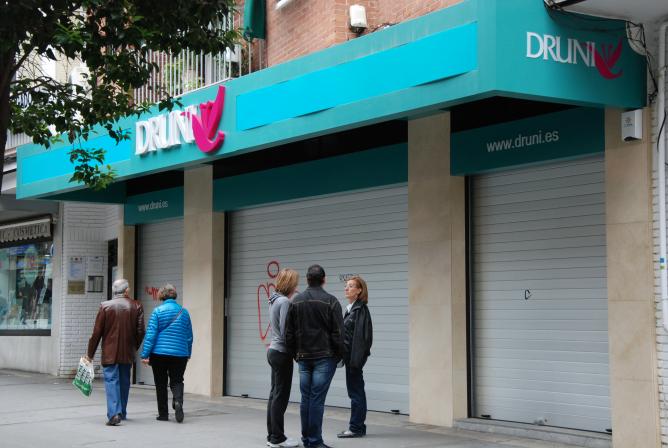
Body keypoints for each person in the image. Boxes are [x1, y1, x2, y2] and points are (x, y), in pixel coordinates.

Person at [285, 265, 344, 448]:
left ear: (307, 279)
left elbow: (289, 333)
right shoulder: (331, 301)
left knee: (306, 398)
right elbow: (338, 333)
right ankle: (315, 441)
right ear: (324, 279)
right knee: (317, 399)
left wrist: (295, 354)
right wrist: (338, 355)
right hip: (325, 357)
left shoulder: (296, 301)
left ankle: (307, 439)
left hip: (303, 357)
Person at [85, 279, 145, 426]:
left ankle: (114, 414)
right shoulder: (136, 305)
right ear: (127, 290)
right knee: (124, 381)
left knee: (111, 381)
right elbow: (141, 331)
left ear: (114, 291)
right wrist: (134, 347)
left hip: (109, 352)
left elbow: (96, 333)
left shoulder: (105, 306)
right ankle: (122, 412)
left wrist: (90, 354)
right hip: (127, 351)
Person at [140, 284, 193, 423]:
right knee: (177, 380)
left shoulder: (157, 311)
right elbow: (189, 336)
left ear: (161, 296)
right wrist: (188, 353)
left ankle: (163, 414)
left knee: (160, 383)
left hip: (159, 354)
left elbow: (151, 335)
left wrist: (145, 354)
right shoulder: (184, 312)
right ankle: (178, 401)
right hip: (180, 353)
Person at [266, 269, 300, 448]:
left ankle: (272, 435)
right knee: (280, 396)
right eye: (295, 283)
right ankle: (277, 438)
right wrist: (296, 353)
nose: (296, 287)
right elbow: (286, 331)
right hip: (282, 353)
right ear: (290, 284)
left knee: (274, 395)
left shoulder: (273, 299)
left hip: (273, 350)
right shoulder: (285, 302)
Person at [337, 276, 373, 439]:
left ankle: (356, 428)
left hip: (354, 361)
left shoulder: (360, 310)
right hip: (350, 359)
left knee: (356, 393)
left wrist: (356, 361)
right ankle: (358, 427)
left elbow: (363, 339)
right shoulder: (351, 309)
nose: (346, 288)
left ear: (359, 290)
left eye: (351, 286)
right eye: (346, 286)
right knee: (355, 392)